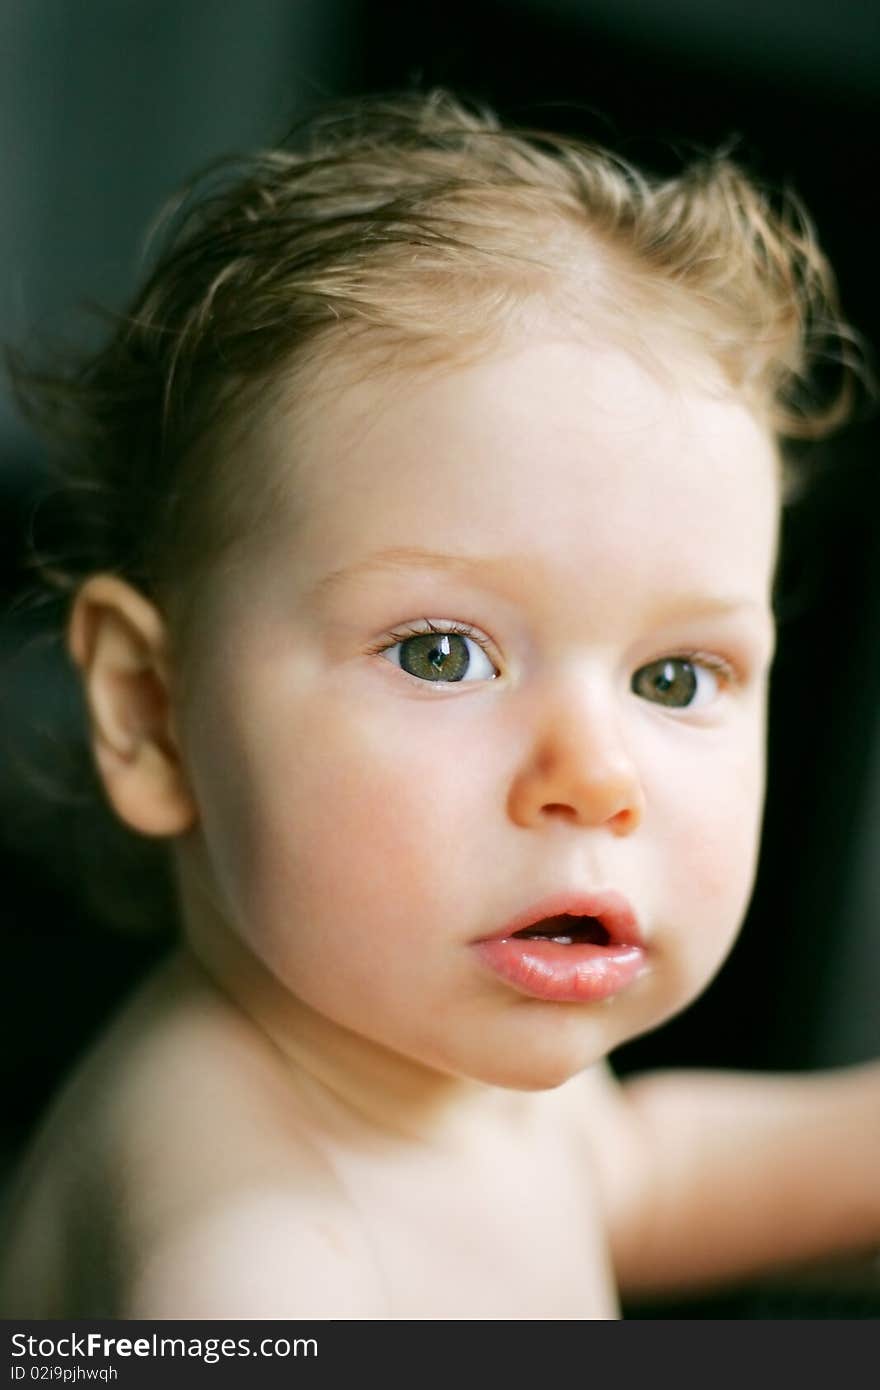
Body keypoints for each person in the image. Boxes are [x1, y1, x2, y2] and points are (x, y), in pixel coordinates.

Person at [0, 89, 877, 1321]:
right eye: (441, 654)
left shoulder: (421, 1067)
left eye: (673, 677)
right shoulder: (251, 1263)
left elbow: (634, 1172)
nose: (597, 773)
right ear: (152, 709)